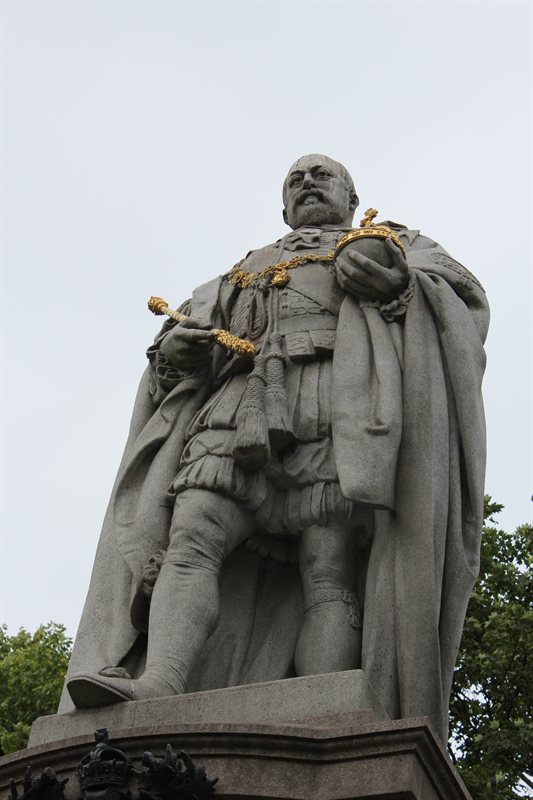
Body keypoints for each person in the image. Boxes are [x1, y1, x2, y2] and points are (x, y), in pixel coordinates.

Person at [62, 155, 489, 744]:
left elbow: (460, 299)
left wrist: (400, 286)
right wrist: (174, 352)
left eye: (321, 175)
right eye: (295, 180)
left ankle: (336, 706)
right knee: (191, 538)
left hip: (334, 401)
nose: (307, 183)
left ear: (351, 193)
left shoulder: (395, 240)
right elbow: (181, 339)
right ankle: (159, 682)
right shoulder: (246, 267)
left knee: (327, 565)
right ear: (283, 206)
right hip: (238, 404)